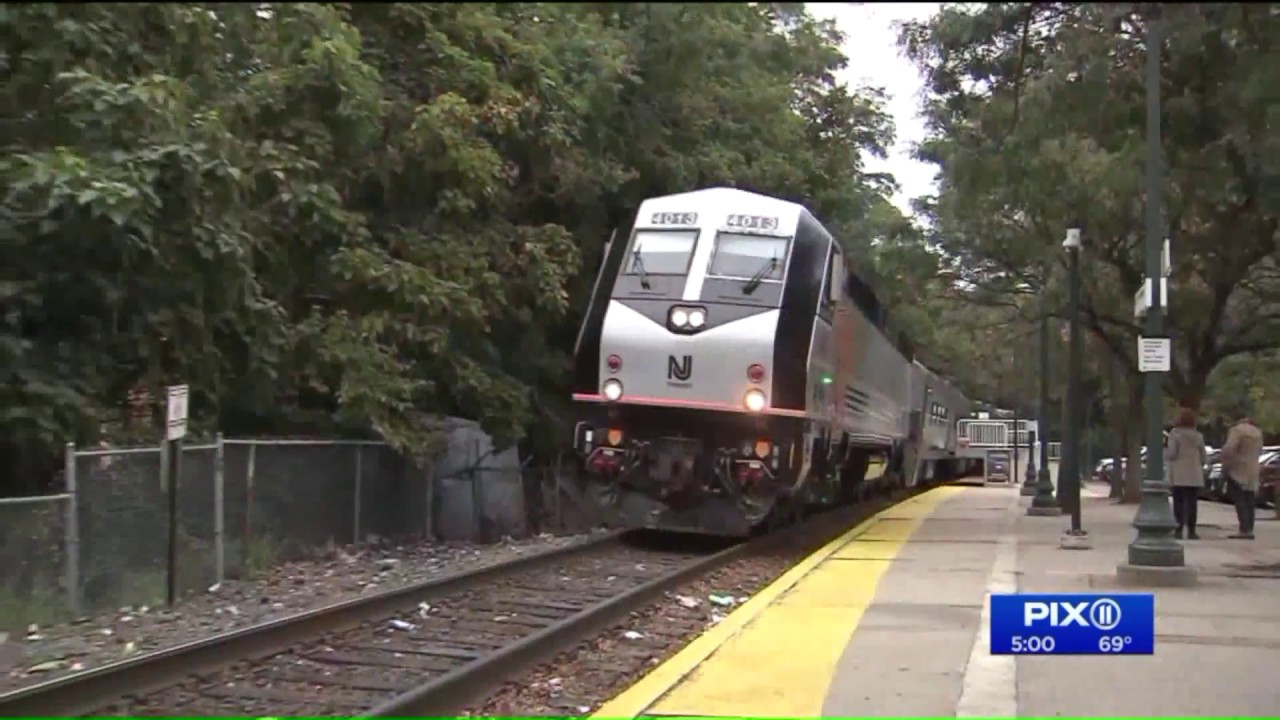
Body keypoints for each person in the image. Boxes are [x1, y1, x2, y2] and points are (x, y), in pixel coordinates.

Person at [1220, 412, 1264, 539]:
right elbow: (1260, 450)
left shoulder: (1236, 431)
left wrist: (1225, 464)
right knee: (1249, 499)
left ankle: (1243, 529)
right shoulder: (1257, 432)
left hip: (1238, 468)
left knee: (1239, 499)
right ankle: (1249, 528)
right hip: (1253, 468)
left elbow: (1230, 449)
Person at [1166, 408, 1206, 539]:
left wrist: (1166, 454)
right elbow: (1203, 456)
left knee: (1179, 502)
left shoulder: (1175, 434)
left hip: (1179, 472)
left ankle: (1178, 529)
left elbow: (1172, 453)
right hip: (1194, 472)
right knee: (1192, 503)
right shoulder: (1198, 435)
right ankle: (1192, 531)